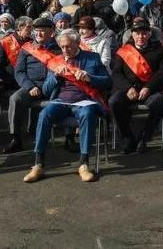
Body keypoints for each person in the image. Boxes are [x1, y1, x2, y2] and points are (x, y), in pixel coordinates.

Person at [24, 28, 109, 184]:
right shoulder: (56, 60)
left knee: (88, 113)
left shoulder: (92, 58)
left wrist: (89, 77)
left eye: (68, 46)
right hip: (61, 101)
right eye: (62, 47)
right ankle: (38, 164)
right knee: (44, 114)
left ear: (78, 44)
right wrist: (55, 76)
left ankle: (83, 164)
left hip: (84, 100)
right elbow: (46, 89)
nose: (65, 50)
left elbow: (107, 81)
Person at [110, 17, 163, 155]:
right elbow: (116, 73)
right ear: (132, 34)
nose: (140, 36)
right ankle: (127, 137)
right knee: (113, 102)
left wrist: (148, 87)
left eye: (144, 33)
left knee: (159, 102)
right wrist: (128, 88)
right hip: (128, 90)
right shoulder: (124, 51)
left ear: (149, 34)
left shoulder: (159, 50)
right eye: (137, 33)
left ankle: (144, 137)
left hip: (149, 90)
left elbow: (162, 72)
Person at [3, 17, 58, 154]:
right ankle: (16, 138)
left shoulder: (58, 49)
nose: (38, 34)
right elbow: (19, 72)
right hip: (32, 86)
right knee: (15, 99)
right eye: (36, 31)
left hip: (53, 87)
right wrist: (30, 87)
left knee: (69, 97)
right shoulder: (27, 49)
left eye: (42, 31)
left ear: (51, 32)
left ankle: (69, 138)